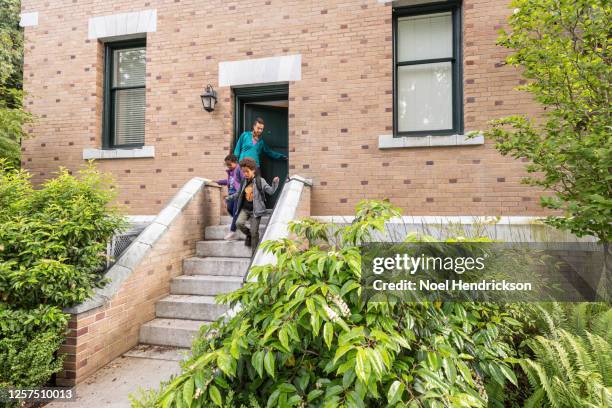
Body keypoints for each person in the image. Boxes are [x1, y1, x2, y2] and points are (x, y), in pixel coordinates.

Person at [228, 158, 279, 255]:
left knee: (254, 232)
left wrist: (274, 183)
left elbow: (271, 191)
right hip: (245, 209)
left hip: (256, 212)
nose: (245, 174)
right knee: (238, 223)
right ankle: (249, 235)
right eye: (243, 172)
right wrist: (229, 198)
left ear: (253, 170)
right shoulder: (244, 181)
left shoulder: (260, 181)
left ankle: (254, 254)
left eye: (247, 172)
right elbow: (238, 193)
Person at [216, 154, 243, 240]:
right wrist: (218, 181)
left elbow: (244, 181)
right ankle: (238, 220)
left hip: (237, 194)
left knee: (235, 211)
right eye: (227, 165)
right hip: (231, 194)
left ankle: (232, 231)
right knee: (229, 209)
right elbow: (229, 181)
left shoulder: (239, 170)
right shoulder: (230, 172)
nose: (228, 166)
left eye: (230, 164)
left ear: (235, 162)